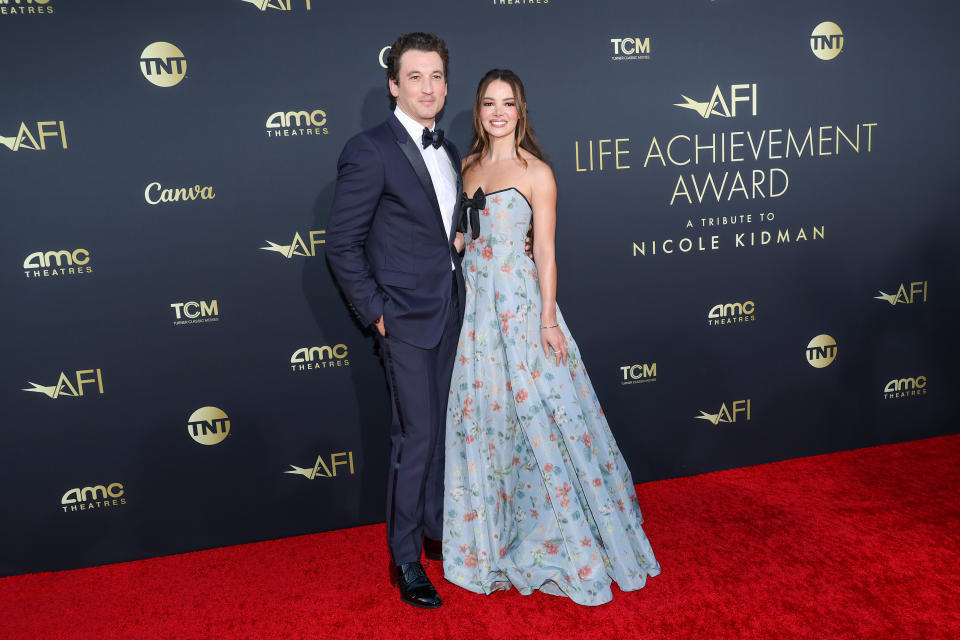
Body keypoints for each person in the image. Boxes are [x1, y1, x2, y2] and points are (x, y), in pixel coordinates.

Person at [442, 69, 661, 606]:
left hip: (520, 309)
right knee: (488, 419)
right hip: (476, 310)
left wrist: (546, 320)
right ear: (478, 110)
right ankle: (490, 539)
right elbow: (461, 241)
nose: (498, 112)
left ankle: (564, 535)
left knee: (544, 417)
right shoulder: (466, 166)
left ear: (521, 110)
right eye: (489, 103)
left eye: (508, 103)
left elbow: (545, 252)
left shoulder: (537, 173)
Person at [326, 32, 463, 610]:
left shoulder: (450, 149)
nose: (427, 87)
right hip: (403, 320)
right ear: (394, 85)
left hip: (454, 312)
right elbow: (341, 244)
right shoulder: (370, 148)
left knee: (445, 433)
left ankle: (435, 531)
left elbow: (437, 232)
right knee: (418, 435)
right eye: (415, 77)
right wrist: (377, 314)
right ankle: (406, 559)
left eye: (435, 77)